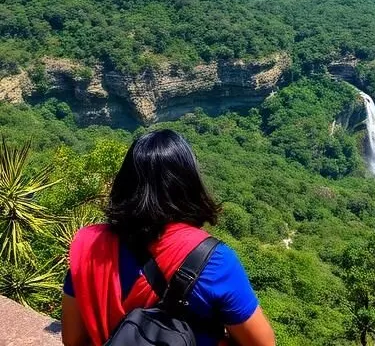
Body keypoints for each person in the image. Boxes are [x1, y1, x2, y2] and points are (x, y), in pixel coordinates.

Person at [61, 129, 275, 346]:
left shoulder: (90, 246)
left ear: (125, 182)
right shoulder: (215, 261)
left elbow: (72, 340)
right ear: (190, 184)